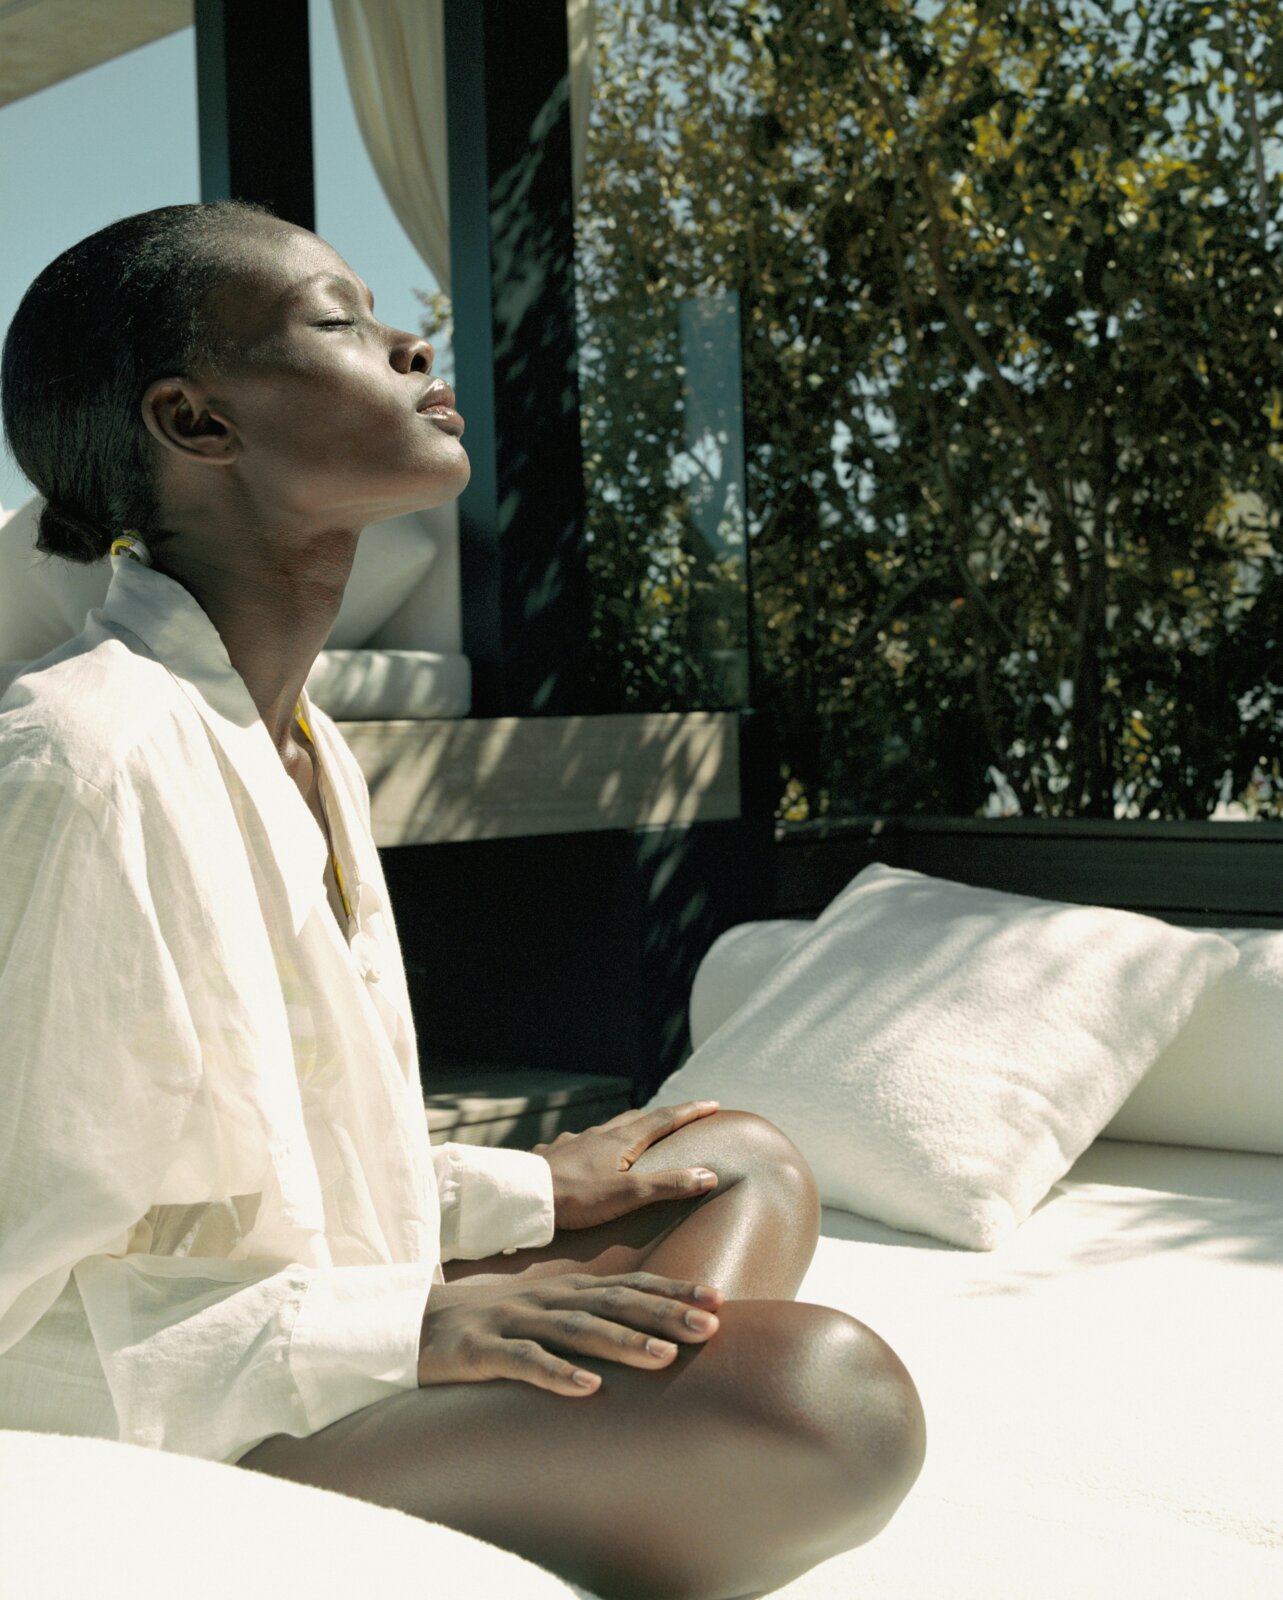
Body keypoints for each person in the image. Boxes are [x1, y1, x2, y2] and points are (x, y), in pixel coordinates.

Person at [0, 202, 924, 1599]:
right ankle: (439, 1496)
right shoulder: (83, 761)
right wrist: (399, 1332)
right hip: (170, 1418)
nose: (411, 344)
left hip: (304, 1324)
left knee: (738, 1158)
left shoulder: (304, 743)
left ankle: (528, 1469)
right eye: (340, 322)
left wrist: (526, 1191)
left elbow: (282, 1177)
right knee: (829, 1403)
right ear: (196, 423)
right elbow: (21, 1300)